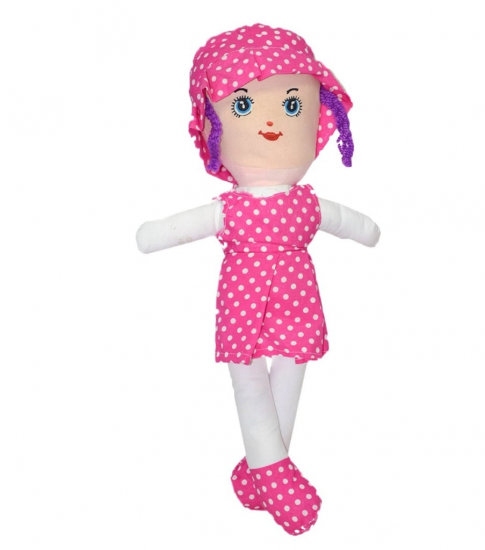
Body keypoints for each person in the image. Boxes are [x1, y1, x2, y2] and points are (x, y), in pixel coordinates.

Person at [136, 23, 380, 536]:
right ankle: (273, 474)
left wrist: (369, 232)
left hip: (296, 301)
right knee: (248, 380)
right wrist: (154, 234)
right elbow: (173, 230)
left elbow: (350, 223)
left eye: (292, 105)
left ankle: (259, 472)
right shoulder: (230, 209)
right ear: (214, 128)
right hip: (243, 305)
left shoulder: (305, 204)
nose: (271, 120)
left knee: (291, 373)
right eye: (243, 106)